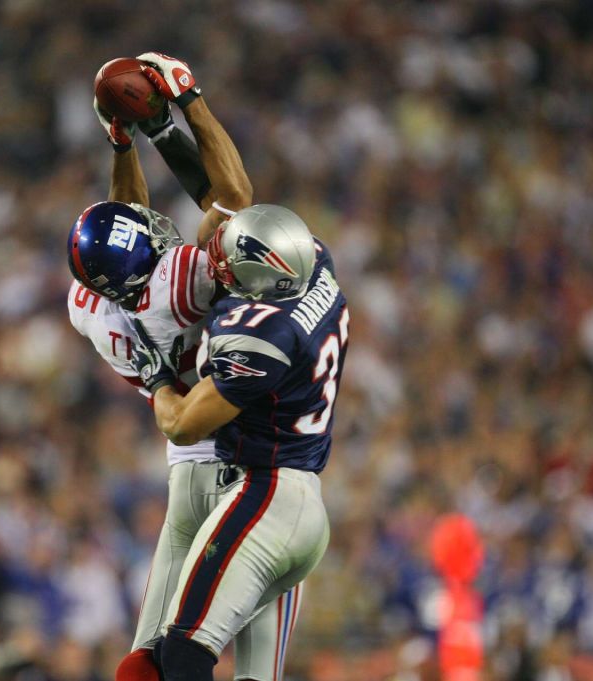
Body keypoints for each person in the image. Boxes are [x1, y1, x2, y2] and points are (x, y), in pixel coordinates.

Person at [67, 53, 303, 681]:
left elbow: (127, 228)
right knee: (241, 653)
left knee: (149, 660)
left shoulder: (89, 304)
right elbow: (236, 201)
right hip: (245, 465)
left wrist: (124, 143)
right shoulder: (179, 280)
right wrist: (189, 101)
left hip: (183, 472)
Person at [131, 118, 349, 680]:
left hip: (263, 497)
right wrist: (165, 129)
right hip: (301, 503)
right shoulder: (312, 264)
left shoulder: (260, 337)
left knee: (180, 653)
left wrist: (155, 378)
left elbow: (181, 426)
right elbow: (228, 207)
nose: (218, 265)